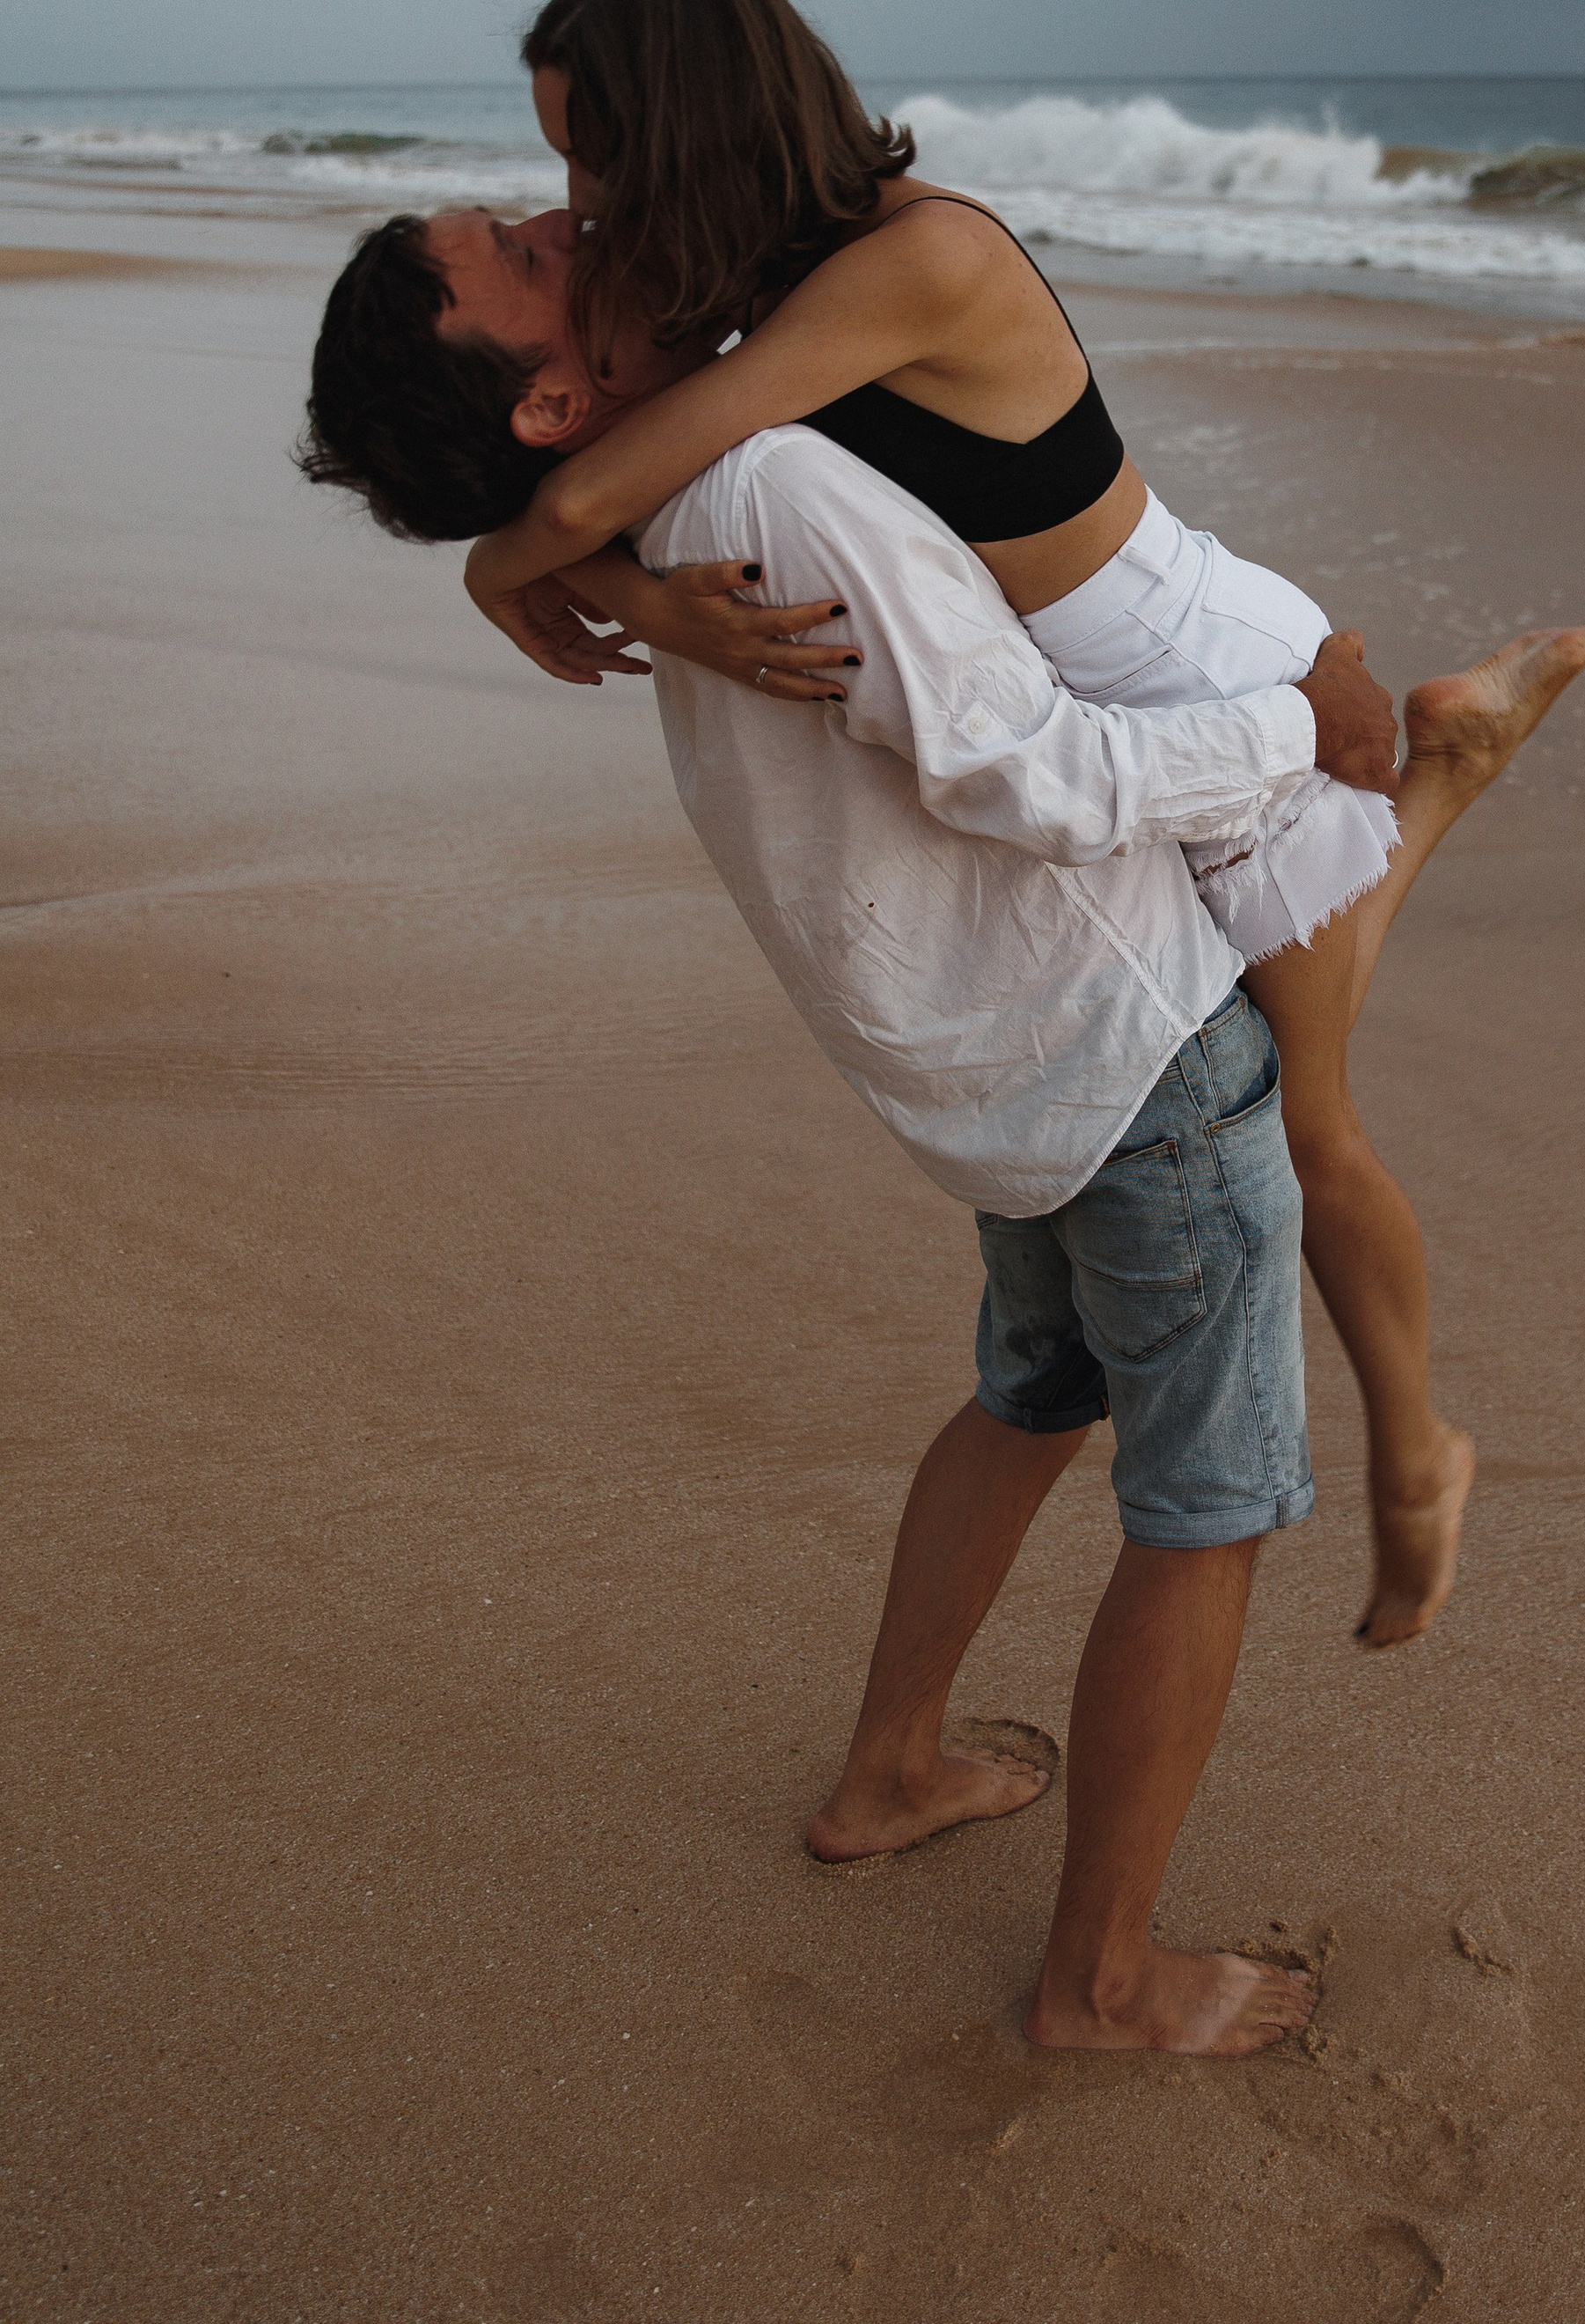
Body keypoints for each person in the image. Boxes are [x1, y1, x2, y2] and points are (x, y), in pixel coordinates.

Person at [396, 0, 1585, 1644]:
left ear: (680, 131)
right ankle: (1452, 751)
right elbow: (618, 467)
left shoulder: (915, 263)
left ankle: (1418, 1469)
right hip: (1123, 704)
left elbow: (619, 469)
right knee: (1290, 1049)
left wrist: (508, 571)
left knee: (1312, 1129)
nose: (575, 197)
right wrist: (592, 581)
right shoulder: (761, 282)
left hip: (1202, 678)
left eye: (587, 156)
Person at [305, 219, 1407, 2053]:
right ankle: (1102, 1981)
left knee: (1034, 1396)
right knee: (1204, 1515)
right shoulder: (763, 479)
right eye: (505, 249)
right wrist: (1302, 720)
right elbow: (1026, 773)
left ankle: (889, 1772)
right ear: (555, 396)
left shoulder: (647, 509)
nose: (561, 211)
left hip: (978, 1073)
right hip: (1120, 1054)